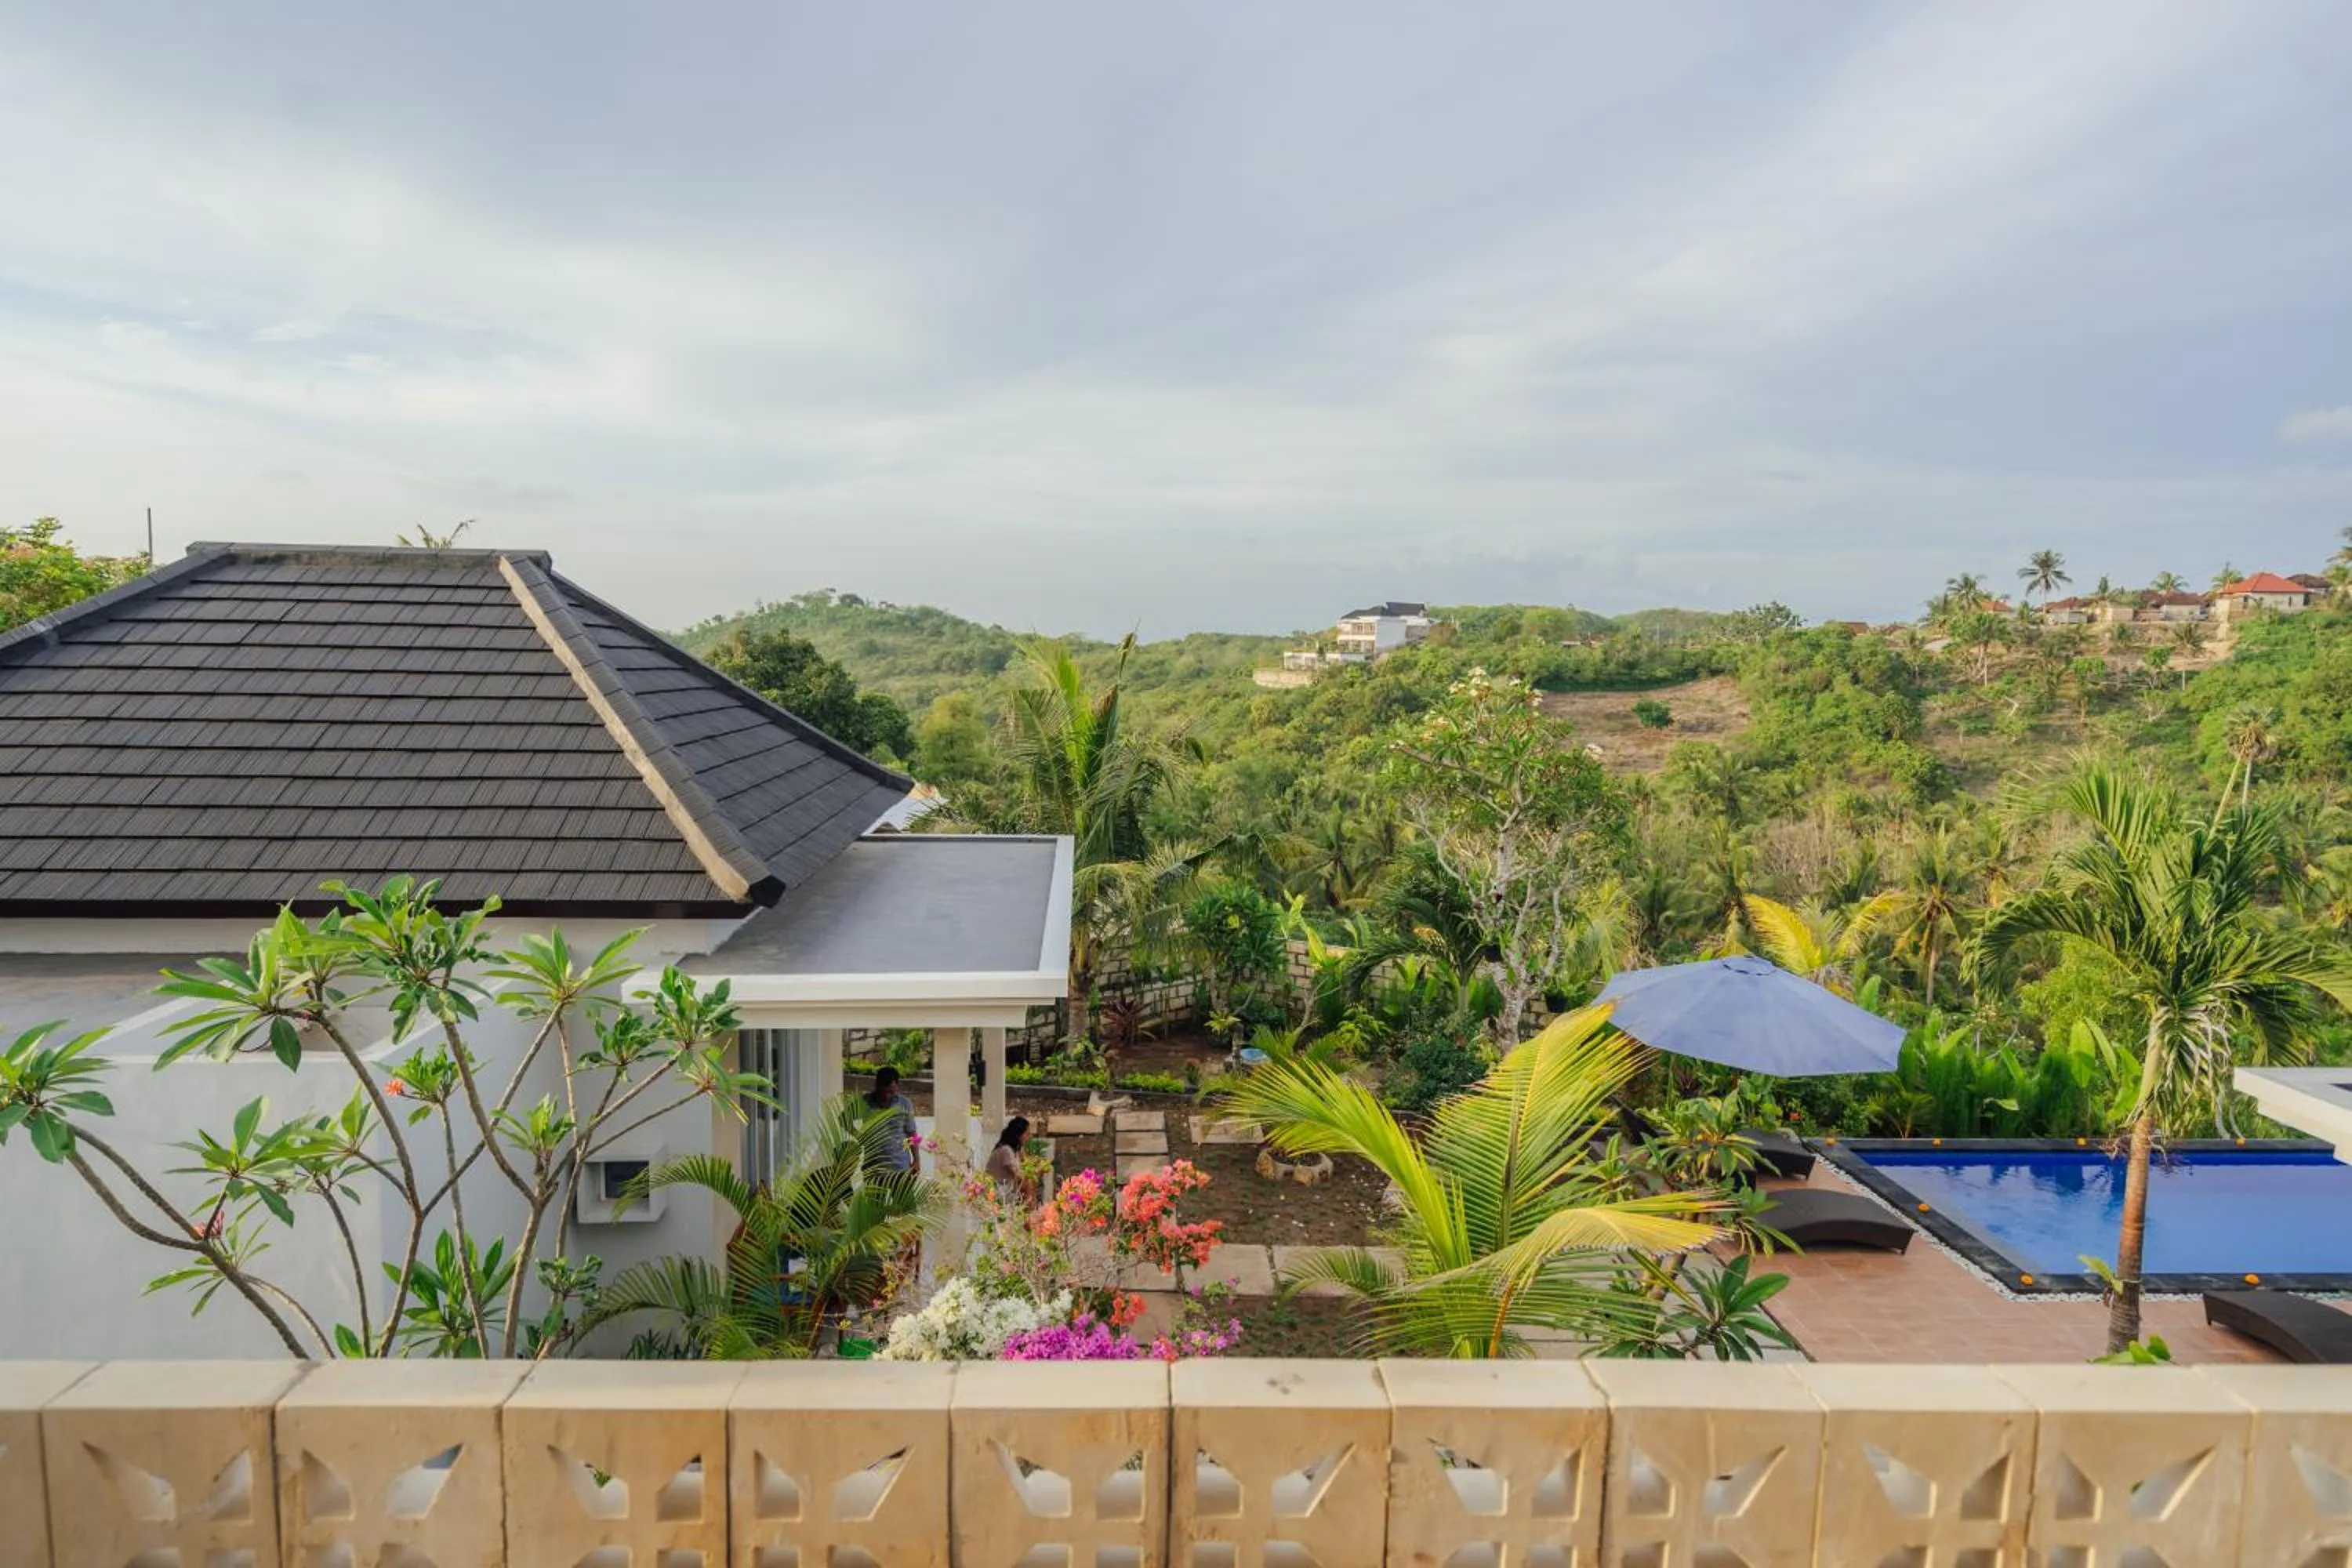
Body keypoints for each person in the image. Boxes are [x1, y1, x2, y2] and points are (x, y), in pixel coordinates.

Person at [866, 1066, 918, 1173]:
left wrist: (917, 1160)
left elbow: (912, 1134)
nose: (886, 1096)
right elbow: (845, 1123)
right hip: (873, 1170)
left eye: (890, 1092)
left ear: (897, 1086)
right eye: (883, 1092)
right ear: (877, 1085)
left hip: (900, 1168)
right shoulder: (864, 1103)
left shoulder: (905, 1104)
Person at [985, 1116, 1033, 1203]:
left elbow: (1026, 1166)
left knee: (1029, 1183)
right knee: (1028, 1184)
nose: (1029, 1137)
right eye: (1027, 1134)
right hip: (998, 1192)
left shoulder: (1014, 1151)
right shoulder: (1006, 1150)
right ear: (1018, 1135)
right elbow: (1018, 1176)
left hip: (1006, 1191)